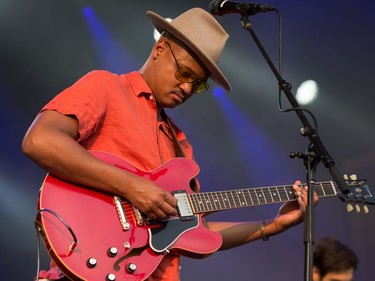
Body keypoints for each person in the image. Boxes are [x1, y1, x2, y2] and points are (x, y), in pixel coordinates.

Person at [22, 7, 318, 281]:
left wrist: (272, 225)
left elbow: (194, 232)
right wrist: (132, 186)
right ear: (159, 49)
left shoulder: (180, 146)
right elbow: (40, 140)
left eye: (198, 84)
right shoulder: (108, 88)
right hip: (95, 266)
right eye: (184, 73)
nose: (187, 87)